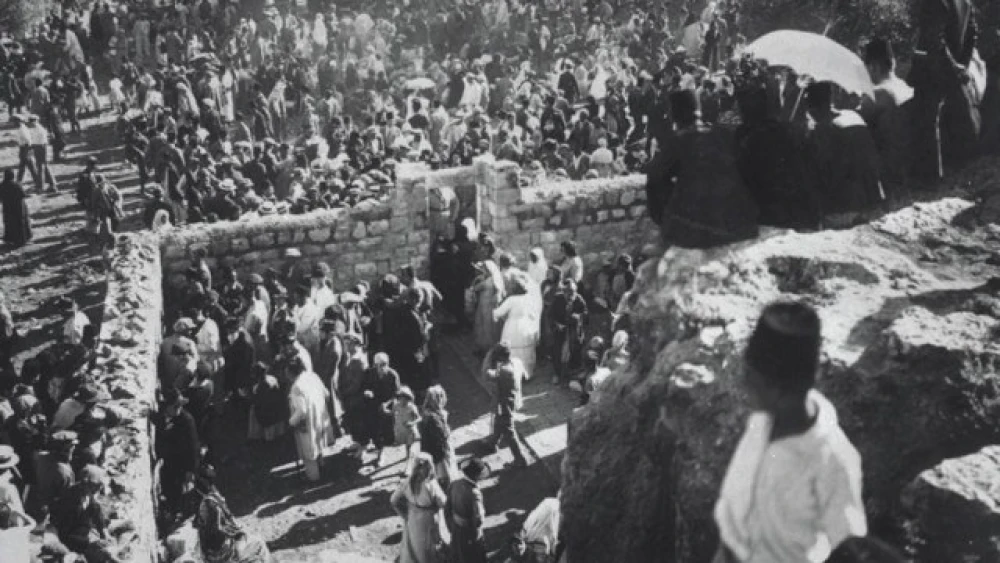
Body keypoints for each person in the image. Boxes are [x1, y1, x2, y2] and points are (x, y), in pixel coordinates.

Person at [713, 301, 867, 563]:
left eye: (751, 377)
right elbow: (735, 514)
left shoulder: (833, 459)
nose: (744, 383)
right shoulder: (761, 423)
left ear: (778, 390)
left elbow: (849, 545)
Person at [908, 0, 979, 181]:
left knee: (927, 123)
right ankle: (950, 171)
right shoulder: (965, 2)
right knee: (951, 119)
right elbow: (972, 34)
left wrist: (954, 67)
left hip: (932, 71)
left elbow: (934, 39)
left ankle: (929, 177)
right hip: (951, 69)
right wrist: (962, 65)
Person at [804, 82, 885, 228]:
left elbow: (823, 173)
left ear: (811, 108)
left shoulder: (824, 129)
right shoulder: (853, 116)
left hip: (844, 209)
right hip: (872, 201)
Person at [860, 38, 914, 199]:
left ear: (874, 67)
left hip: (889, 168)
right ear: (893, 63)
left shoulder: (879, 93)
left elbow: (858, 120)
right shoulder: (905, 87)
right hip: (909, 162)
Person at [192, 465, 272, 563]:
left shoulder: (205, 500)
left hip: (209, 549)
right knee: (259, 543)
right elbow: (217, 529)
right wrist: (236, 533)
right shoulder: (210, 503)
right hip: (219, 551)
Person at [390, 453, 448, 563]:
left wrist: (404, 515)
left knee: (413, 544)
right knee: (428, 546)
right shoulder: (431, 484)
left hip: (412, 516)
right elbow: (443, 502)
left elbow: (393, 500)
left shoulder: (406, 482)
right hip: (427, 519)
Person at [483, 342, 529, 469]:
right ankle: (493, 442)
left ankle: (520, 459)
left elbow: (486, 374)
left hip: (504, 404)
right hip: (512, 399)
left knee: (509, 430)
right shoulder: (516, 362)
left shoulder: (502, 371)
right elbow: (525, 376)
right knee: (499, 421)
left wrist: (488, 357)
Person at [287, 355, 333, 482]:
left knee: (308, 453)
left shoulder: (296, 387)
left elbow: (301, 410)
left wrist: (291, 422)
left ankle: (314, 478)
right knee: (318, 445)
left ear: (291, 372)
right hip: (319, 418)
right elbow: (326, 394)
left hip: (306, 424)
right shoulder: (313, 376)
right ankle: (322, 467)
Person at [155, 387, 201, 516]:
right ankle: (170, 507)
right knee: (167, 483)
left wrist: (191, 470)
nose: (178, 409)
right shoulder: (167, 416)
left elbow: (193, 447)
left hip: (182, 463)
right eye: (175, 406)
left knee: (176, 489)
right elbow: (160, 422)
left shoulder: (186, 421)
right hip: (170, 461)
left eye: (179, 406)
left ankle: (174, 512)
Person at [493, 272, 542, 379]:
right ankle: (526, 373)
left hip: (513, 326)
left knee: (513, 349)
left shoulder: (512, 300)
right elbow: (535, 313)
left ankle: (513, 373)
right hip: (527, 326)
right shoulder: (530, 299)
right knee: (526, 350)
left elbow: (498, 313)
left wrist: (496, 306)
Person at [358, 353, 400, 466]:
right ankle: (368, 447)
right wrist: (366, 392)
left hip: (386, 407)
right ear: (375, 365)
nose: (382, 367)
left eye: (385, 364)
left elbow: (396, 394)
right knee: (372, 429)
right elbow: (363, 387)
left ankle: (381, 453)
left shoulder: (392, 375)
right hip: (372, 406)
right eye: (379, 365)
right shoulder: (368, 373)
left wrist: (387, 404)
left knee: (385, 432)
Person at [446, 458, 489, 563]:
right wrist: (476, 536)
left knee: (460, 555)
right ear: (476, 475)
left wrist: (452, 526)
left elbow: (447, 509)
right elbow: (479, 520)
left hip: (456, 528)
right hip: (469, 532)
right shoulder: (474, 493)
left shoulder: (454, 484)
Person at [418, 385, 456, 491]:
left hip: (428, 447)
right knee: (444, 473)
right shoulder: (433, 418)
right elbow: (443, 434)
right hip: (438, 450)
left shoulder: (426, 412)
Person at [550, 279, 587, 385]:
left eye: (572, 292)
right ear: (564, 292)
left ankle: (572, 374)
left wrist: (579, 316)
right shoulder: (558, 299)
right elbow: (550, 315)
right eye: (568, 292)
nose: (570, 295)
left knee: (575, 350)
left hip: (573, 330)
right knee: (557, 351)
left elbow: (585, 313)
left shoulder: (579, 299)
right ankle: (557, 373)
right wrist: (557, 324)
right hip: (560, 330)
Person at [472, 260, 506, 355]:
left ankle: (487, 348)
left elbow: (476, 288)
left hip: (487, 305)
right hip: (485, 304)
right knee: (486, 326)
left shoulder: (489, 280)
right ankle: (485, 347)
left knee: (486, 326)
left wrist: (477, 281)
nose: (484, 271)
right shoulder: (493, 279)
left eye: (485, 269)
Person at [0, 170, 31, 248]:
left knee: (9, 224)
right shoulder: (16, 185)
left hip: (7, 210)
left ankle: (10, 239)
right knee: (21, 224)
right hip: (19, 208)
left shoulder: (2, 185)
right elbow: (23, 194)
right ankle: (22, 240)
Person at [392, 386, 421, 463]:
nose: (403, 401)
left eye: (405, 398)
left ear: (408, 398)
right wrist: (385, 411)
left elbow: (419, 418)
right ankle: (408, 455)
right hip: (400, 428)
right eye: (401, 398)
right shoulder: (396, 405)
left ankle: (409, 458)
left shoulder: (411, 407)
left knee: (409, 445)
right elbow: (392, 413)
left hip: (409, 429)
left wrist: (412, 423)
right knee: (403, 442)